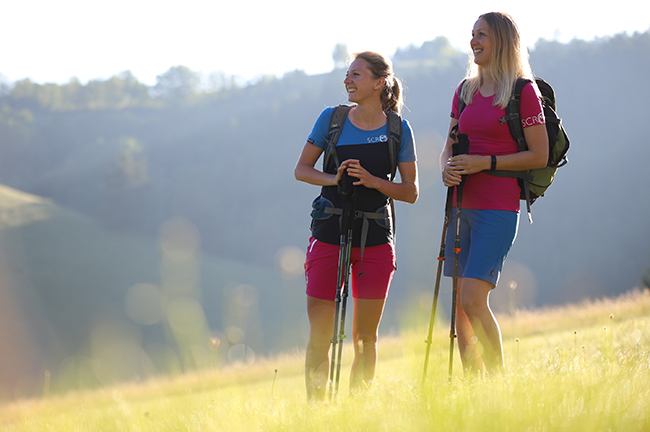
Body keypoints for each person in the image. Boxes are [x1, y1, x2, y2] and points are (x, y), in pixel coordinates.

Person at [294, 51, 418, 399]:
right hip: (328, 234)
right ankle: (317, 412)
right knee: (321, 336)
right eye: (347, 74)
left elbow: (411, 192)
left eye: (356, 75)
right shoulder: (331, 119)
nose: (347, 80)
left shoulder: (398, 128)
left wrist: (373, 181)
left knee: (366, 338)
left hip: (376, 239)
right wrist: (336, 179)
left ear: (379, 82)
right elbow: (302, 169)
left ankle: (357, 411)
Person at [440, 12, 548, 375]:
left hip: (498, 209)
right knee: (459, 305)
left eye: (481, 34)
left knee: (473, 298)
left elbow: (539, 154)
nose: (473, 41)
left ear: (500, 40)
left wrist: (484, 162)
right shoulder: (465, 90)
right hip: (459, 205)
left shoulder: (522, 91)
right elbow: (450, 143)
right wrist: (446, 167)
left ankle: (499, 384)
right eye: (472, 34)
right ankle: (474, 389)